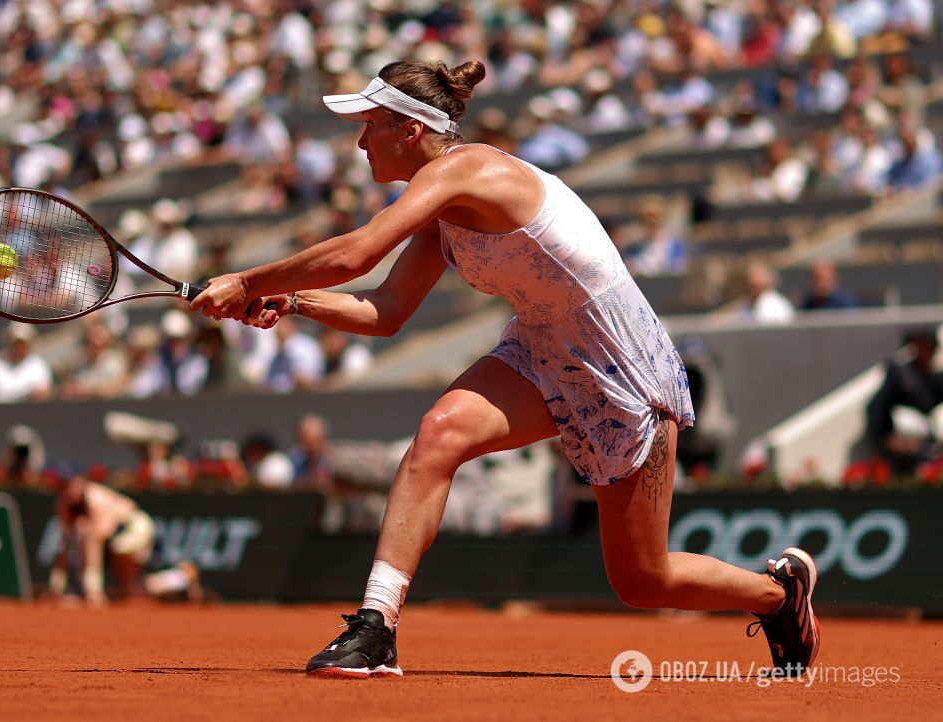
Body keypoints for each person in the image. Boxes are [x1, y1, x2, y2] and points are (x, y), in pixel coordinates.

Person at [190, 60, 819, 679]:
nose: (359, 140)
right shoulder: (441, 206)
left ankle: (777, 595)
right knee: (439, 434)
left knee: (640, 579)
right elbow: (384, 311)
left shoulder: (465, 169)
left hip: (622, 366)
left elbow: (356, 254)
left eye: (370, 124)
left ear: (410, 130)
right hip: (541, 348)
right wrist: (289, 299)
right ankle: (376, 626)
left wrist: (246, 279)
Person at [48, 465, 157, 606]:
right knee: (129, 590)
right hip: (118, 533)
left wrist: (91, 589)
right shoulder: (64, 504)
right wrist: (56, 584)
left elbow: (97, 537)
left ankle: (92, 591)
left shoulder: (95, 498)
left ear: (82, 482)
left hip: (136, 527)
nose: (70, 488)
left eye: (73, 483)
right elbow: (65, 543)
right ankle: (176, 581)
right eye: (65, 484)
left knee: (89, 537)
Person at [865, 329, 943, 475]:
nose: (929, 353)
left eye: (931, 348)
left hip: (931, 444)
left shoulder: (935, 378)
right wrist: (889, 439)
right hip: (908, 452)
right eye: (925, 347)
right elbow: (877, 409)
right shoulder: (900, 376)